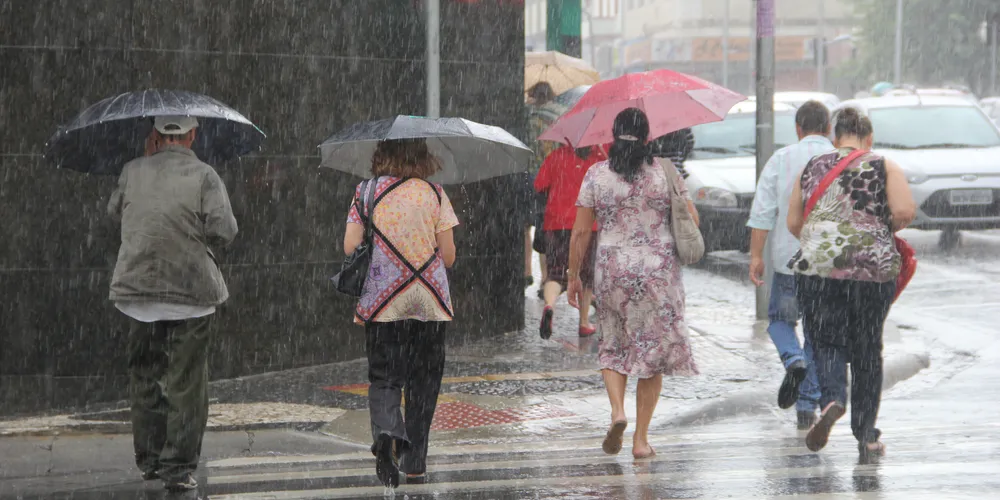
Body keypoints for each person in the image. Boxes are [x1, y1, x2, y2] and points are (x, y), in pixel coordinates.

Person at [108, 116, 238, 492]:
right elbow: (224, 230)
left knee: (145, 375)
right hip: (191, 293)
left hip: (138, 290)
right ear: (192, 134)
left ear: (155, 135)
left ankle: (150, 459)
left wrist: (145, 166)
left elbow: (114, 212)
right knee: (187, 381)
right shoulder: (205, 175)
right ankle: (178, 467)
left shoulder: (132, 170)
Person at [567, 108, 700, 459]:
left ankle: (617, 412)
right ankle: (641, 441)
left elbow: (580, 232)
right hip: (659, 274)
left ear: (614, 134)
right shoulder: (665, 171)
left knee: (613, 344)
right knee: (651, 354)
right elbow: (692, 218)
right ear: (647, 136)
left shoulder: (596, 174)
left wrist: (572, 276)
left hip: (613, 272)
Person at [787, 107, 916, 460]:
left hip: (818, 268)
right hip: (871, 270)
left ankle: (831, 399)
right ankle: (866, 435)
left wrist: (825, 243)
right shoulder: (884, 165)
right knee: (867, 349)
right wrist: (875, 232)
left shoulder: (811, 166)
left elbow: (794, 222)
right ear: (868, 137)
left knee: (825, 340)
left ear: (834, 136)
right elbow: (904, 211)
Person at [343, 139, 459, 487]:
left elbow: (350, 246)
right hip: (429, 302)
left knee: (385, 377)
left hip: (382, 303)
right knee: (424, 381)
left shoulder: (366, 192)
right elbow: (448, 256)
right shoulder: (435, 194)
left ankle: (387, 430)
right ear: (422, 157)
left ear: (382, 155)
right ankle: (415, 462)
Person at [747, 101, 833, 429]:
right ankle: (807, 407)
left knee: (781, 321)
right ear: (828, 128)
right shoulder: (839, 160)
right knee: (816, 332)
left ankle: (792, 358)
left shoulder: (781, 159)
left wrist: (756, 256)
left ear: (798, 128)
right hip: (828, 262)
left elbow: (762, 212)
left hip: (788, 261)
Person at [535, 144, 602, 339]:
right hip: (588, 223)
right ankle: (583, 323)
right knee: (587, 275)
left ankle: (549, 305)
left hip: (556, 223)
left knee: (556, 273)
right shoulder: (599, 158)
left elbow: (539, 185)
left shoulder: (556, 156)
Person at [525, 83, 558, 290]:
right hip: (552, 179)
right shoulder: (558, 118)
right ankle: (546, 277)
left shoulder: (526, 117)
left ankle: (526, 270)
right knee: (545, 228)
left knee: (524, 226)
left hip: (528, 176)